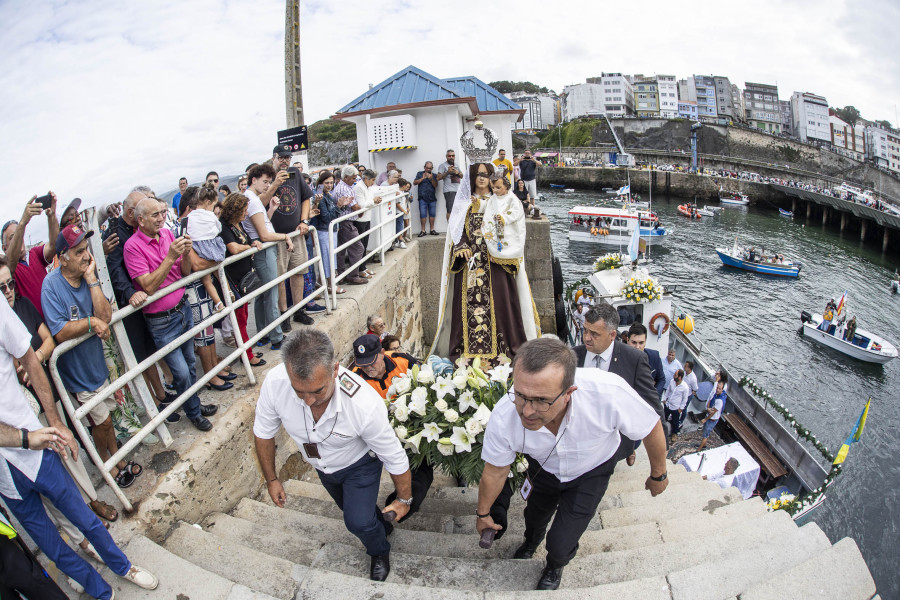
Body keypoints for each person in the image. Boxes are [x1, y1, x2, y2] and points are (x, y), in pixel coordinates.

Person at [476, 338, 668, 590]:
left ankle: (555, 564)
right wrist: (483, 513)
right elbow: (495, 470)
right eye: (521, 396)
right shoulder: (504, 415)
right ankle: (531, 541)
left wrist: (658, 475)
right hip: (544, 469)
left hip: (592, 471)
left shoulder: (608, 392)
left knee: (562, 540)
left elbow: (649, 425)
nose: (527, 411)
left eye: (541, 400)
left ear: (569, 393)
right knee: (533, 516)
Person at [0, 300, 159, 599]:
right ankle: (99, 590)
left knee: (83, 518)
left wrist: (56, 421)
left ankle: (123, 566)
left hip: (35, 445)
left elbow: (32, 361)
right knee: (50, 544)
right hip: (5, 475)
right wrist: (23, 438)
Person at [253, 328, 413, 582]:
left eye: (317, 391)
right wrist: (272, 479)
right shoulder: (275, 384)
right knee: (355, 511)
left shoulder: (363, 404)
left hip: (359, 463)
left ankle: (380, 550)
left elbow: (394, 455)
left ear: (335, 370)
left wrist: (404, 499)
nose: (307, 401)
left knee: (356, 522)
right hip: (322, 467)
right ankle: (381, 527)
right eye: (299, 391)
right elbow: (263, 432)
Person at [41, 224, 144, 488]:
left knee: (108, 421)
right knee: (102, 422)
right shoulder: (51, 285)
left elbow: (106, 316)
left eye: (86, 249)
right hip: (78, 376)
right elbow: (60, 331)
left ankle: (116, 459)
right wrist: (91, 323)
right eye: (78, 252)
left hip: (98, 366)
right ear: (62, 257)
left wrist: (91, 280)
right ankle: (106, 466)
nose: (87, 256)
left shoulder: (88, 275)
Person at [124, 197, 218, 431]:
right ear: (140, 220)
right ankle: (194, 413)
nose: (161, 218)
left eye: (163, 213)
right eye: (155, 214)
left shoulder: (167, 236)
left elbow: (183, 273)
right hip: (162, 321)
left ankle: (194, 406)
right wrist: (170, 257)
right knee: (181, 372)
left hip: (182, 310)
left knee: (189, 364)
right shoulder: (132, 247)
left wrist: (185, 253)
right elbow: (147, 286)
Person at [432, 165, 539, 361]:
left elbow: (515, 227)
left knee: (501, 306)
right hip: (471, 267)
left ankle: (503, 352)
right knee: (468, 308)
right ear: (471, 177)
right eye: (477, 174)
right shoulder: (463, 203)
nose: (481, 178)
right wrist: (462, 245)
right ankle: (467, 354)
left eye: (485, 175)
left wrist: (500, 243)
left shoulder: (504, 201)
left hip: (496, 263)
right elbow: (456, 231)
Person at [573, 304, 665, 466]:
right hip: (580, 443)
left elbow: (653, 407)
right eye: (585, 330)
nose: (586, 337)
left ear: (612, 334)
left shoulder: (634, 360)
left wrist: (661, 453)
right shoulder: (573, 356)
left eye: (594, 334)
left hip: (615, 445)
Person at [242, 163, 296, 349]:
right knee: (271, 293)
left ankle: (263, 333)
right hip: (264, 250)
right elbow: (263, 235)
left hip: (263, 250)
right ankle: (276, 337)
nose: (267, 186)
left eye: (269, 182)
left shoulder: (252, 199)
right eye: (264, 182)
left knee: (263, 294)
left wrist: (271, 211)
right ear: (254, 180)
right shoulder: (253, 200)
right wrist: (285, 236)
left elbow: (261, 226)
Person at [269, 146, 317, 327]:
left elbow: (306, 197)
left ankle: (299, 310)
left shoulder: (295, 173)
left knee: (299, 272)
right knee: (281, 276)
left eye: (287, 158)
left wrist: (304, 220)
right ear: (273, 158)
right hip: (277, 236)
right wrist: (274, 183)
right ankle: (283, 315)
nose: (284, 161)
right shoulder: (268, 176)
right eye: (281, 157)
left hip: (296, 233)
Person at [218, 193, 267, 368]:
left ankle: (247, 350)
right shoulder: (224, 227)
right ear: (235, 210)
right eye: (244, 210)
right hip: (235, 281)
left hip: (243, 278)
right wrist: (250, 246)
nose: (246, 214)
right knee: (240, 320)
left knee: (244, 318)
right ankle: (247, 355)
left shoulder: (237, 224)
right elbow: (233, 247)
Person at [2, 193, 60, 319]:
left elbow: (55, 246)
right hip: (38, 332)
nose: (20, 237)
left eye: (20, 233)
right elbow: (10, 260)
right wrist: (22, 223)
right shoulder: (7, 270)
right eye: (13, 237)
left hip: (56, 320)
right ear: (4, 248)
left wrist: (51, 216)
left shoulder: (34, 253)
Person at [186, 186, 228, 312]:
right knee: (220, 272)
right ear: (209, 203)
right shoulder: (211, 215)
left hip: (198, 248)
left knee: (206, 279)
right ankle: (229, 292)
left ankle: (219, 303)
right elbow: (218, 228)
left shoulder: (190, 216)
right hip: (213, 247)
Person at [332, 166, 368, 285]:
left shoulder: (344, 186)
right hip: (346, 222)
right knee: (358, 248)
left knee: (341, 250)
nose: (355, 180)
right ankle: (353, 275)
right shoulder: (344, 189)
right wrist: (361, 210)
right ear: (346, 177)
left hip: (343, 222)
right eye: (353, 178)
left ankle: (342, 275)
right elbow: (354, 206)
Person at [352, 169, 383, 278]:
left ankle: (363, 267)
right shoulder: (359, 187)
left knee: (365, 244)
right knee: (361, 245)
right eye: (372, 180)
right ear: (366, 179)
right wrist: (373, 201)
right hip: (360, 220)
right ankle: (360, 269)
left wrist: (375, 201)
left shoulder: (368, 187)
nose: (373, 182)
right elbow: (361, 205)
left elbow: (369, 203)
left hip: (367, 218)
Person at [627, 323, 665, 398]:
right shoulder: (619, 357)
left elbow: (661, 379)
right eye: (634, 342)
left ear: (645, 341)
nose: (637, 347)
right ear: (628, 340)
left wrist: (654, 396)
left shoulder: (655, 356)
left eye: (641, 343)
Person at [697, 380, 726, 453]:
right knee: (705, 432)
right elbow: (710, 400)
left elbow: (713, 413)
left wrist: (705, 419)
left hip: (712, 419)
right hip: (710, 416)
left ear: (722, 389)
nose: (717, 390)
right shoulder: (716, 395)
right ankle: (703, 445)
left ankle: (699, 450)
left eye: (719, 389)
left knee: (705, 435)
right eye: (717, 388)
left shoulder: (720, 400)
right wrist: (708, 408)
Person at [663, 369, 690, 443]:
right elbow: (668, 390)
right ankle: (662, 430)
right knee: (664, 417)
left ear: (680, 377)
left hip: (675, 408)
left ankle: (674, 433)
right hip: (668, 405)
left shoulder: (685, 387)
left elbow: (685, 399)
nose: (673, 376)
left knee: (675, 422)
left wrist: (681, 409)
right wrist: (665, 399)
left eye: (675, 375)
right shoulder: (672, 381)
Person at [413, 161, 439, 236]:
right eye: (427, 168)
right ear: (424, 167)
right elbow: (414, 183)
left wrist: (431, 179)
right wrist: (422, 178)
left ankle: (432, 229)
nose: (428, 169)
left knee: (432, 214)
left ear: (432, 168)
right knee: (423, 214)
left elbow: (435, 185)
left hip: (432, 198)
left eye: (430, 168)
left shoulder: (434, 175)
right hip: (422, 198)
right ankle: (423, 230)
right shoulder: (419, 173)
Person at [436, 150, 463, 220]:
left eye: (453, 156)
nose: (451, 157)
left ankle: (456, 228)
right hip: (449, 191)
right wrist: (448, 172)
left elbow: (462, 176)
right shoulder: (443, 166)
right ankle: (450, 229)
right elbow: (438, 178)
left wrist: (458, 173)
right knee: (450, 210)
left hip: (458, 190)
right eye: (449, 156)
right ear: (446, 157)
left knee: (458, 210)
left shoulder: (456, 165)